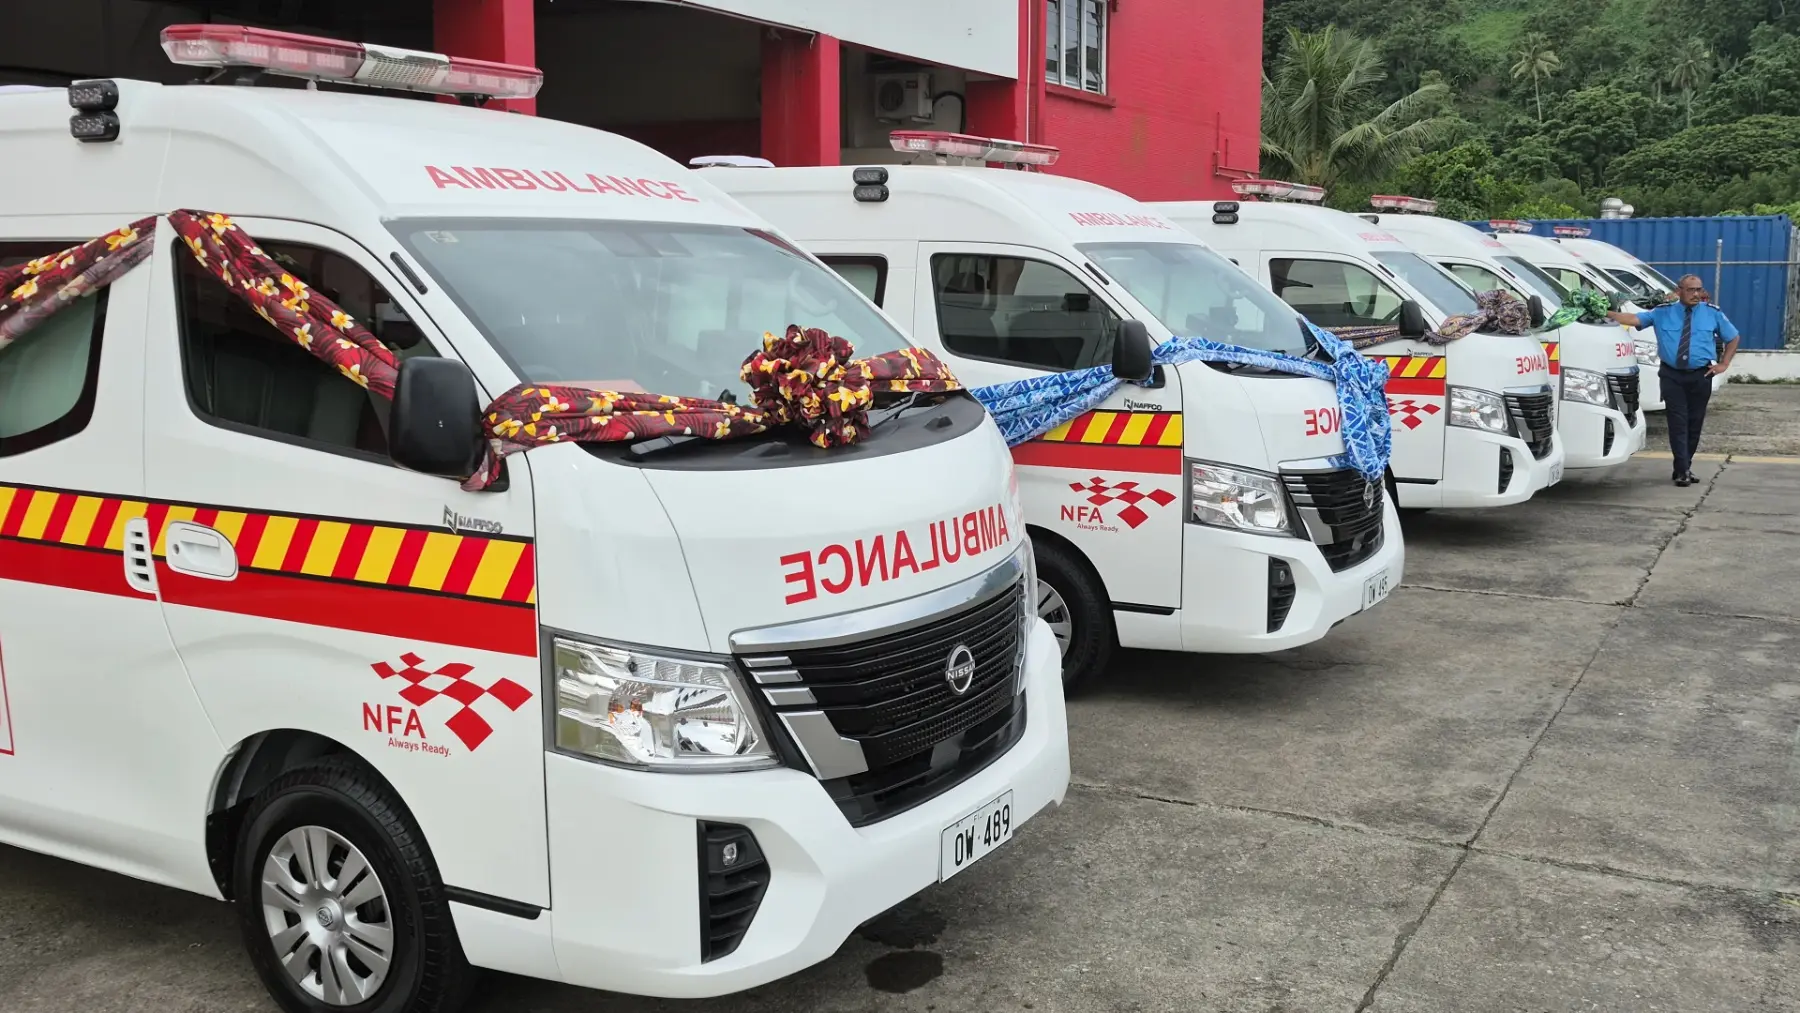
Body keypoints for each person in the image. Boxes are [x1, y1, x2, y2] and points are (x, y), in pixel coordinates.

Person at [1608, 275, 1738, 486]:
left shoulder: (1712, 314)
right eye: (1691, 290)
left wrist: (1723, 364)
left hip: (1700, 375)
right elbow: (1634, 319)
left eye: (1699, 289)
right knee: (1678, 422)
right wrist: (1605, 313)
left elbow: (1733, 337)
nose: (1696, 294)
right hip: (1672, 375)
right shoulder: (1663, 312)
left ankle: (1684, 465)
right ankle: (1682, 470)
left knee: (1694, 423)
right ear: (1679, 291)